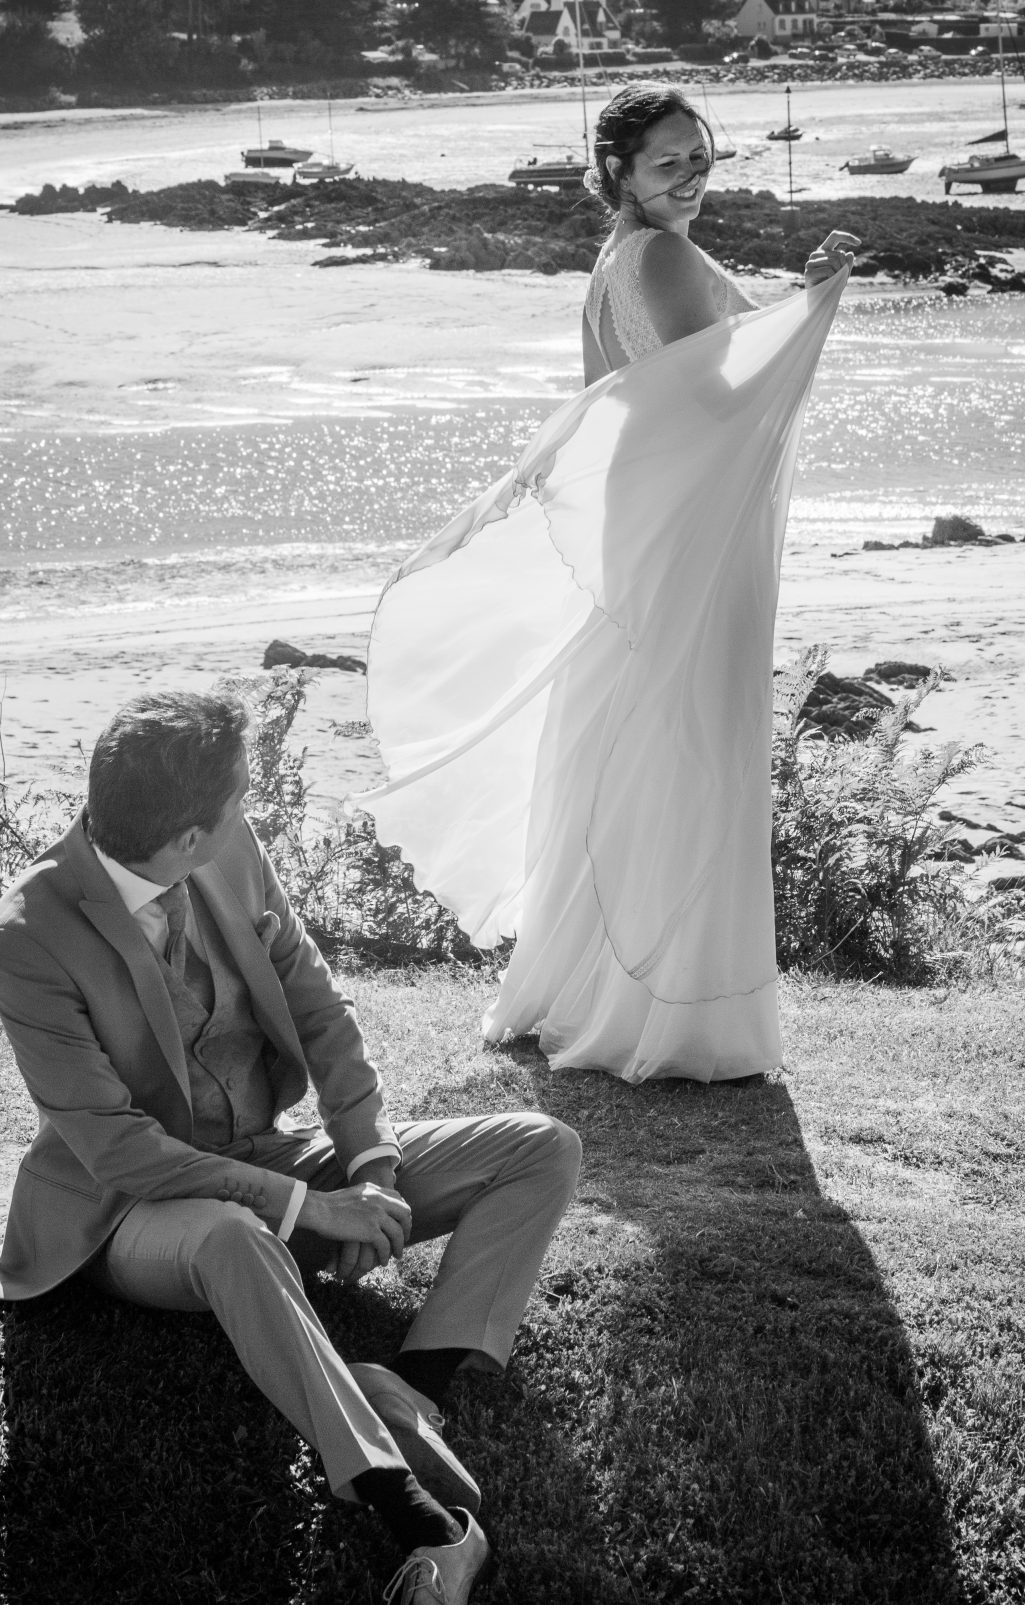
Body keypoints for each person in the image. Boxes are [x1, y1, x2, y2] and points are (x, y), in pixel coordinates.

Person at [0, 689, 581, 1605]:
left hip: (268, 1150)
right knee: (234, 1237)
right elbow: (119, 1151)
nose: (249, 807)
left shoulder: (231, 852)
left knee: (541, 1145)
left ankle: (410, 1384)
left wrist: (370, 1163)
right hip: (127, 1215)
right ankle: (416, 1513)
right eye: (239, 797)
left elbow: (316, 1006)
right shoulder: (26, 936)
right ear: (184, 837)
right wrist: (308, 1206)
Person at [359, 86, 858, 1086]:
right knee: (686, 756)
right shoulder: (658, 256)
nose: (693, 174)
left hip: (646, 546)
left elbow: (661, 396)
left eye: (702, 156)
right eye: (670, 160)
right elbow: (706, 409)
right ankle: (667, 1015)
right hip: (681, 557)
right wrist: (812, 311)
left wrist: (801, 308)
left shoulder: (616, 261)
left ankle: (606, 987)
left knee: (636, 754)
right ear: (618, 174)